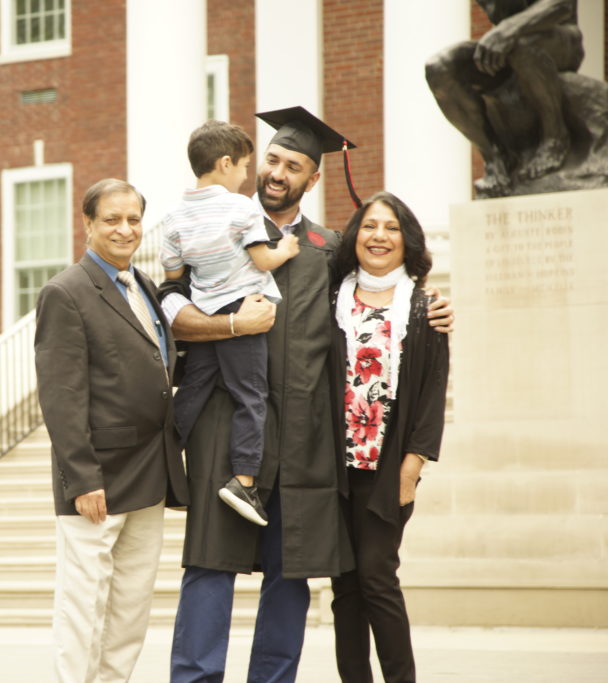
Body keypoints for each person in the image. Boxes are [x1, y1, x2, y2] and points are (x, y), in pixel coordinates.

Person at [159, 106, 455, 683]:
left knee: (290, 569)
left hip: (306, 428)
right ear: (253, 165)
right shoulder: (212, 229)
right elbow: (169, 301)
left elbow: (379, 285)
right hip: (227, 417)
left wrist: (430, 307)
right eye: (271, 160)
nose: (277, 173)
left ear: (311, 179)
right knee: (209, 562)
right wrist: (223, 326)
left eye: (293, 166)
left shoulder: (329, 247)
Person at [35, 178, 189, 683]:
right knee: (83, 605)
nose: (125, 230)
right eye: (112, 220)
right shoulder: (66, 292)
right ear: (87, 224)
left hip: (150, 468)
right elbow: (61, 395)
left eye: (133, 220)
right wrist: (82, 478)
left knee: (130, 606)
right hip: (98, 476)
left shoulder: (142, 285)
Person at [328, 192, 449, 682]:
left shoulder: (424, 310)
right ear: (356, 235)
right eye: (370, 226)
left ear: (407, 241)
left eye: (392, 228)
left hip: (387, 464)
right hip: (333, 464)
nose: (379, 236)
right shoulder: (330, 300)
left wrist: (413, 465)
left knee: (378, 576)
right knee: (345, 584)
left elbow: (431, 391)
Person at [161, 120, 300, 528]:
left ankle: (163, 464)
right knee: (251, 395)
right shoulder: (242, 208)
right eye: (243, 167)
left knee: (194, 389)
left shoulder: (173, 218)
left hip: (204, 310)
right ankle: (243, 480)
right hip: (244, 306)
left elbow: (172, 274)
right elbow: (262, 260)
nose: (246, 176)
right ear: (225, 164)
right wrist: (287, 248)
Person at [425, 0, 583, 194]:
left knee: (521, 43)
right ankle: (495, 158)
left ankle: (555, 137)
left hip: (558, 38)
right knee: (440, 67)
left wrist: (508, 30)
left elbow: (561, 6)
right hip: (503, 47)